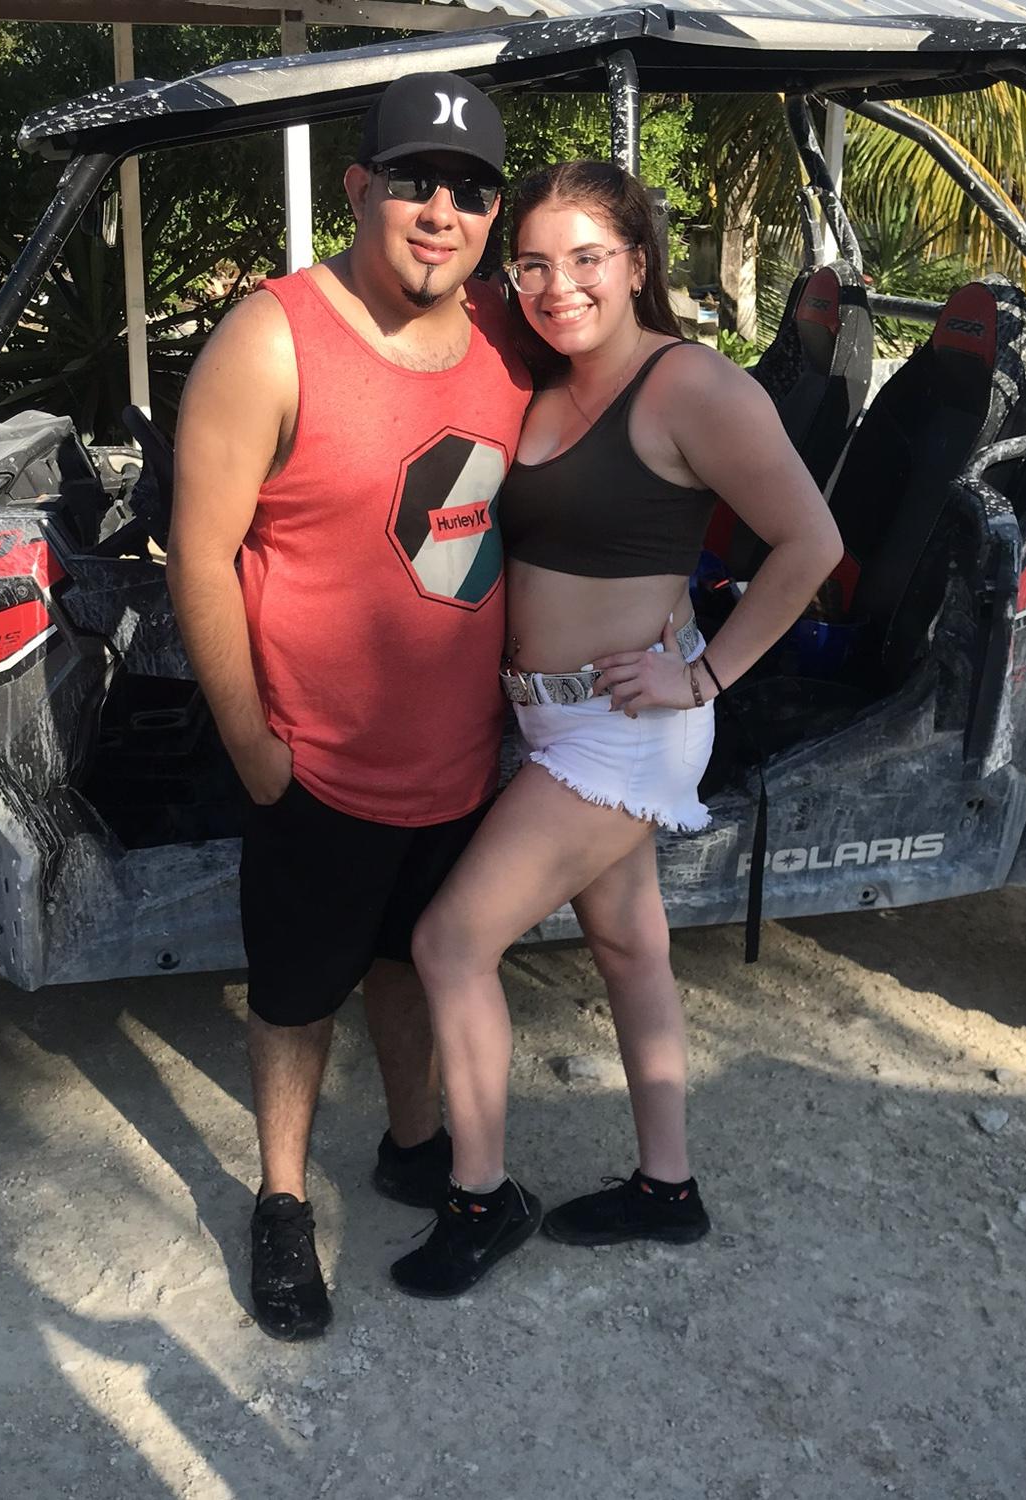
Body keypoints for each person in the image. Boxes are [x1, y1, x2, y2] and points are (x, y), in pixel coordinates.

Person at [391, 161, 844, 1298]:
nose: (559, 286)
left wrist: (708, 674)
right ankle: (666, 1188)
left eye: (587, 258)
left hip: (624, 725)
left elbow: (812, 544)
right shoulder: (548, 379)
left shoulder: (689, 384)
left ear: (638, 262)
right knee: (632, 948)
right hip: (555, 722)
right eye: (534, 264)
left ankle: (481, 1197)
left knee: (450, 944)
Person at [168, 72, 531, 1340]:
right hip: (314, 763)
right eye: (416, 181)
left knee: (414, 960)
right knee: (295, 995)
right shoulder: (271, 339)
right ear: (360, 187)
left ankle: (413, 1144)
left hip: (461, 760)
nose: (442, 211)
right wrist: (252, 746)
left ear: (493, 215)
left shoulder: (509, 333)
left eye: (471, 191)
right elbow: (199, 554)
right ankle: (281, 1200)